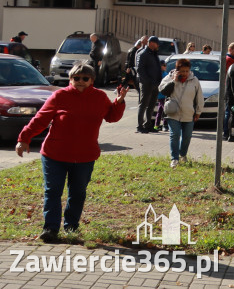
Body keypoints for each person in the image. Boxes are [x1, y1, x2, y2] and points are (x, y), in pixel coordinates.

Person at [16, 63, 128, 242]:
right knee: (53, 192)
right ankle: (50, 229)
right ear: (70, 79)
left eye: (85, 78)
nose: (80, 81)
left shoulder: (99, 97)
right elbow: (40, 119)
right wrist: (24, 138)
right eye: (76, 78)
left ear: (92, 80)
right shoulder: (60, 95)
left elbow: (112, 116)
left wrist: (119, 101)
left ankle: (71, 227)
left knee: (78, 193)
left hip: (85, 156)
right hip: (55, 154)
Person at [159, 57, 203, 168]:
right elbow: (162, 90)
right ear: (177, 70)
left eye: (187, 71)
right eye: (182, 71)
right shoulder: (170, 77)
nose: (185, 74)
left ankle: (182, 154)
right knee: (175, 135)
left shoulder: (194, 80)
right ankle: (174, 158)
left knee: (187, 136)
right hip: (173, 113)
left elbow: (199, 97)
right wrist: (173, 81)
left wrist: (198, 111)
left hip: (188, 113)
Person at [136, 36, 162, 133]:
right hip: (147, 84)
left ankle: (148, 124)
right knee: (143, 104)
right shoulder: (143, 54)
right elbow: (140, 69)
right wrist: (147, 81)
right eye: (157, 43)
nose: (158, 45)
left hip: (155, 84)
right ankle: (140, 125)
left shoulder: (154, 54)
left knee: (151, 105)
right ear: (151, 43)